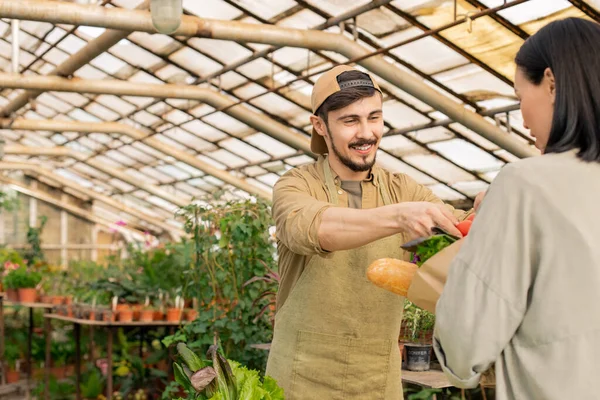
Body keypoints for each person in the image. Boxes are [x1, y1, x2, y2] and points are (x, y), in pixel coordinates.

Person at [264, 64, 481, 400]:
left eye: (374, 117)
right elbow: (309, 227)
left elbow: (462, 225)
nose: (366, 133)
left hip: (376, 381)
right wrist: (398, 216)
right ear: (319, 125)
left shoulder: (403, 188)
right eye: (350, 121)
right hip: (300, 378)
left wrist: (492, 209)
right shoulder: (296, 184)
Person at [433, 17, 600, 400]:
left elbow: (465, 344)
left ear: (552, 84)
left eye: (521, 97)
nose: (522, 119)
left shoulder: (524, 185)